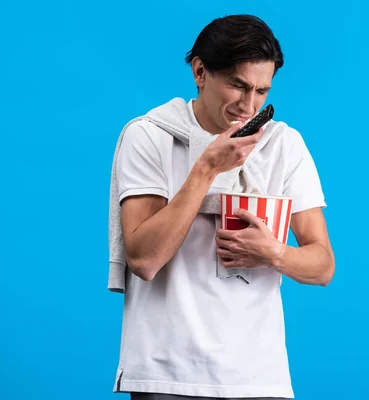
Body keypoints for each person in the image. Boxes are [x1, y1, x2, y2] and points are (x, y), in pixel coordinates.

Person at [108, 14, 335, 400]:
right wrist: (207, 168)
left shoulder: (284, 145)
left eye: (262, 91)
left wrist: (275, 254)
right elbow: (144, 260)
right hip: (166, 375)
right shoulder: (149, 136)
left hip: (258, 378)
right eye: (238, 86)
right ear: (200, 72)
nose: (249, 105)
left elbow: (323, 265)